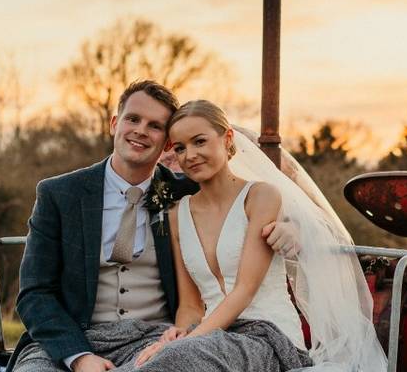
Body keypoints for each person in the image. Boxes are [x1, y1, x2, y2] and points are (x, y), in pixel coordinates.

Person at [4, 80, 299, 372]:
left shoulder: (185, 191)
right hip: (74, 340)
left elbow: (237, 206)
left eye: (155, 126)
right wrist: (79, 357)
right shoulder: (60, 194)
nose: (141, 131)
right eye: (133, 119)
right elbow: (35, 294)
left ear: (166, 142)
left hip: (151, 337)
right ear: (114, 123)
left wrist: (286, 227)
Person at [127, 100, 387, 372]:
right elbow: (191, 305)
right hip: (211, 339)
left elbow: (244, 290)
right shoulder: (176, 214)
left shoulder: (260, 196)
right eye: (180, 148)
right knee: (138, 362)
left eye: (199, 142)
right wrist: (178, 333)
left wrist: (185, 344)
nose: (190, 155)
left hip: (267, 336)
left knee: (177, 358)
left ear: (227, 139)